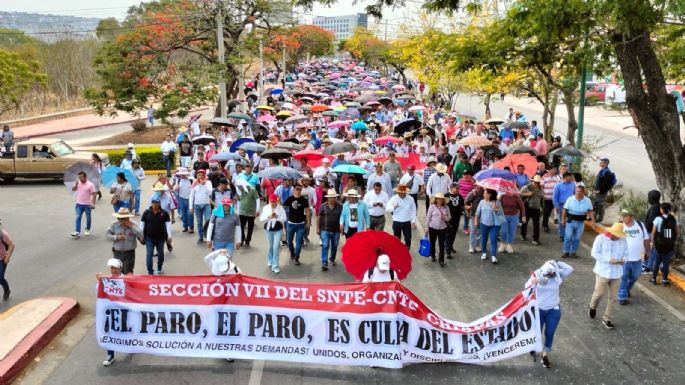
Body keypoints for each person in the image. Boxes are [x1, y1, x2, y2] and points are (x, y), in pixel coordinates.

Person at [525, 260, 573, 368]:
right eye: (547, 274)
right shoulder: (537, 274)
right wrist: (533, 281)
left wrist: (556, 263)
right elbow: (526, 287)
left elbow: (569, 269)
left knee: (549, 333)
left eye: (551, 274)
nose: (549, 276)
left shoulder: (557, 276)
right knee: (537, 331)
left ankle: (545, 354)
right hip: (539, 309)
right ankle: (534, 346)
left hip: (553, 309)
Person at [589, 222, 628, 329]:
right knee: (599, 293)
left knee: (613, 297)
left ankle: (607, 318)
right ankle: (593, 306)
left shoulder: (623, 241)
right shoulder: (600, 238)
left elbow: (626, 254)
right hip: (603, 271)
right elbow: (594, 253)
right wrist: (608, 260)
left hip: (616, 273)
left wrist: (622, 260)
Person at [617, 209, 650, 304]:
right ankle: (622, 296)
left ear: (631, 217)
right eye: (622, 215)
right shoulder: (620, 226)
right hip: (624, 258)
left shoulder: (640, 225)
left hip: (638, 258)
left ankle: (627, 288)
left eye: (625, 216)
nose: (622, 217)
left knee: (635, 276)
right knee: (624, 277)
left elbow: (646, 239)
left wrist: (648, 251)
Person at [97, 258, 124, 366]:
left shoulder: (126, 279)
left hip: (124, 311)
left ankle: (134, 346)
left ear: (120, 268)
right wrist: (100, 282)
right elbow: (98, 293)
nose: (113, 270)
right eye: (111, 268)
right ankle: (110, 355)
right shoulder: (106, 280)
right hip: (111, 312)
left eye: (115, 268)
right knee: (109, 331)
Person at [106, 208, 144, 274]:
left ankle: (127, 284)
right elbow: (107, 235)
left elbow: (141, 235)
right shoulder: (113, 225)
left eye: (122, 219)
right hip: (117, 253)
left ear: (128, 218)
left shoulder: (134, 224)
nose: (120, 220)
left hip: (129, 253)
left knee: (128, 272)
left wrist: (132, 227)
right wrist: (116, 237)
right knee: (117, 272)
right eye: (118, 218)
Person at [561, 185, 595, 258]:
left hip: (580, 222)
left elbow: (591, 211)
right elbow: (564, 209)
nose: (578, 193)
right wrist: (563, 219)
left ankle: (573, 252)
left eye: (580, 191)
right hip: (570, 221)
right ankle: (566, 251)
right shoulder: (570, 199)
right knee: (568, 236)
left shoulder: (587, 200)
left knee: (577, 238)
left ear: (583, 192)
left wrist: (593, 221)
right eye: (577, 191)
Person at [650, 202, 679, 286]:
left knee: (657, 261)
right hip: (669, 245)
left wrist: (652, 241)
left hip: (659, 244)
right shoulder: (673, 219)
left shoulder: (658, 219)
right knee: (666, 262)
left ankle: (653, 279)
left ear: (662, 210)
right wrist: (672, 239)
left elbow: (653, 232)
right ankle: (664, 280)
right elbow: (677, 232)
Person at [141, 197, 172, 275]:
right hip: (149, 238)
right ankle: (150, 271)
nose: (155, 204)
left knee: (161, 254)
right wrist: (141, 235)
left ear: (159, 203)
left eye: (156, 203)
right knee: (149, 254)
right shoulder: (146, 212)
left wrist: (169, 236)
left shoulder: (164, 213)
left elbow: (168, 225)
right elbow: (142, 224)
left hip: (161, 238)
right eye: (153, 203)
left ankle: (159, 268)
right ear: (151, 203)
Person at [284, 184, 311, 265]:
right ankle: (292, 253)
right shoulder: (290, 199)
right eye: (297, 189)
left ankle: (296, 257)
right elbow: (282, 206)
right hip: (290, 224)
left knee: (299, 242)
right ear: (293, 190)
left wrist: (308, 222)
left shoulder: (304, 200)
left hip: (300, 224)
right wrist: (278, 202)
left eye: (300, 189)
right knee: (289, 242)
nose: (299, 191)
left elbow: (307, 211)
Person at [474, 188, 503, 264]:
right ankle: (484, 253)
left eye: (485, 193)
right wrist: (476, 221)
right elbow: (477, 213)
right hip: (483, 224)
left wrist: (496, 209)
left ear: (490, 194)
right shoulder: (482, 202)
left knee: (493, 240)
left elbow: (501, 213)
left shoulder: (497, 202)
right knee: (484, 239)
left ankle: (493, 256)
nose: (483, 194)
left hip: (494, 225)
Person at [259, 194, 287, 274]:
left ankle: (275, 266)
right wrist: (269, 216)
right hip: (268, 229)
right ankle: (270, 260)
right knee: (270, 246)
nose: (273, 203)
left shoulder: (280, 208)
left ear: (276, 201)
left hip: (278, 229)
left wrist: (277, 217)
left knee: (275, 247)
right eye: (271, 201)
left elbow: (284, 218)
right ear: (269, 201)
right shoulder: (266, 208)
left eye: (274, 201)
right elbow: (261, 219)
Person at [318, 189, 342, 271]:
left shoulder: (340, 207)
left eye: (334, 197)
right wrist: (318, 228)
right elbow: (319, 217)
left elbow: (343, 218)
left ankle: (332, 259)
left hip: (336, 230)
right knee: (325, 245)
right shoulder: (323, 206)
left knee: (334, 246)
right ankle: (324, 263)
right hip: (325, 229)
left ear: (335, 198)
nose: (332, 199)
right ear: (328, 198)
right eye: (330, 198)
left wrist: (342, 228)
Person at [426, 193, 451, 267]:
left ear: (443, 200)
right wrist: (426, 227)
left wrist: (445, 217)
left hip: (442, 228)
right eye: (438, 198)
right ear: (436, 199)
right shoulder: (432, 207)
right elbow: (428, 217)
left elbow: (449, 218)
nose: (440, 200)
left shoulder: (446, 207)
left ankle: (441, 260)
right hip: (432, 227)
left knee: (441, 244)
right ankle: (433, 255)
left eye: (441, 199)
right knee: (432, 242)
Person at [71, 171, 97, 238]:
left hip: (87, 205)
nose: (80, 179)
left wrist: (93, 203)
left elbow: (94, 194)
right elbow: (73, 189)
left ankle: (87, 229)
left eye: (81, 177)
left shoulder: (90, 184)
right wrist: (76, 185)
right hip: (78, 204)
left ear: (85, 177)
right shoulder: (78, 182)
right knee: (78, 217)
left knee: (88, 218)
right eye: (79, 177)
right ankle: (77, 232)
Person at [189, 169, 213, 244]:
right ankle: (200, 237)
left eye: (202, 175)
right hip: (197, 205)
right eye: (199, 175)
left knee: (208, 220)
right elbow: (191, 196)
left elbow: (210, 193)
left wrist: (204, 184)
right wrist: (191, 207)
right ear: (197, 176)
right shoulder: (194, 183)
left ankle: (208, 237)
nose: (201, 176)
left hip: (206, 204)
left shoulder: (208, 182)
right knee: (199, 222)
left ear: (204, 175)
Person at [520, 175, 544, 245]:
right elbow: (519, 194)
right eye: (536, 182)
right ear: (533, 181)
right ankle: (523, 235)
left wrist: (542, 208)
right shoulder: (527, 187)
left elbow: (542, 200)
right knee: (525, 222)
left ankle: (536, 239)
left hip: (536, 208)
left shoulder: (541, 189)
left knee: (536, 224)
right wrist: (527, 194)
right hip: (527, 207)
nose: (537, 184)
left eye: (538, 182)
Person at [552, 172, 576, 241]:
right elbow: (555, 197)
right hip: (561, 205)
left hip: (571, 206)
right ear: (565, 177)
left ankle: (569, 235)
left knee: (570, 221)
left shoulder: (573, 185)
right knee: (561, 221)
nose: (571, 178)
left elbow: (575, 194)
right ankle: (561, 235)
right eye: (570, 177)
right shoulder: (558, 185)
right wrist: (556, 206)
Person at [643, 190, 662, 272]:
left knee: (649, 249)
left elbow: (651, 221)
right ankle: (648, 264)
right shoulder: (660, 206)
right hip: (656, 232)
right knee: (653, 249)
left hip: (651, 232)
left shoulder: (654, 208)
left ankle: (648, 265)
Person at [594, 158, 617, 223]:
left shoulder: (607, 172)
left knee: (600, 205)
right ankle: (594, 217)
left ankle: (600, 219)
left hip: (602, 192)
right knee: (596, 204)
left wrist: (600, 190)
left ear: (606, 163)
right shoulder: (602, 170)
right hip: (598, 191)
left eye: (602, 162)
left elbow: (606, 183)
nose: (600, 163)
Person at [236, 183, 259, 248]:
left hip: (251, 212)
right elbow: (238, 201)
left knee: (250, 228)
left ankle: (248, 240)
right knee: (241, 227)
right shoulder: (239, 191)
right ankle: (242, 239)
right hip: (242, 212)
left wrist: (257, 210)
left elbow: (257, 199)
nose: (239, 187)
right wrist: (237, 211)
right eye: (238, 186)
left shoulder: (252, 190)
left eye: (240, 186)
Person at [173, 167, 194, 233]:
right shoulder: (178, 180)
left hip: (189, 199)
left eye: (183, 174)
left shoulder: (191, 179)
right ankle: (185, 226)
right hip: (181, 199)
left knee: (189, 214)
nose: (182, 175)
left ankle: (191, 227)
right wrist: (175, 188)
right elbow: (174, 188)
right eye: (181, 174)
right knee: (183, 214)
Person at [541, 166, 561, 233]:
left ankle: (544, 223)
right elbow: (542, 186)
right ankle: (545, 225)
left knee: (549, 212)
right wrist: (543, 193)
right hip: (546, 198)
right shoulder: (544, 176)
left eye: (555, 169)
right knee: (546, 211)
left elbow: (558, 186)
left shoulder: (557, 177)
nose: (555, 170)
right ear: (549, 170)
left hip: (553, 198)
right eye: (553, 169)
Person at [0, 220, 15, 300]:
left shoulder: (3, 234)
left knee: (0, 278)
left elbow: (11, 245)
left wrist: (8, 257)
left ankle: (7, 290)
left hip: (2, 259)